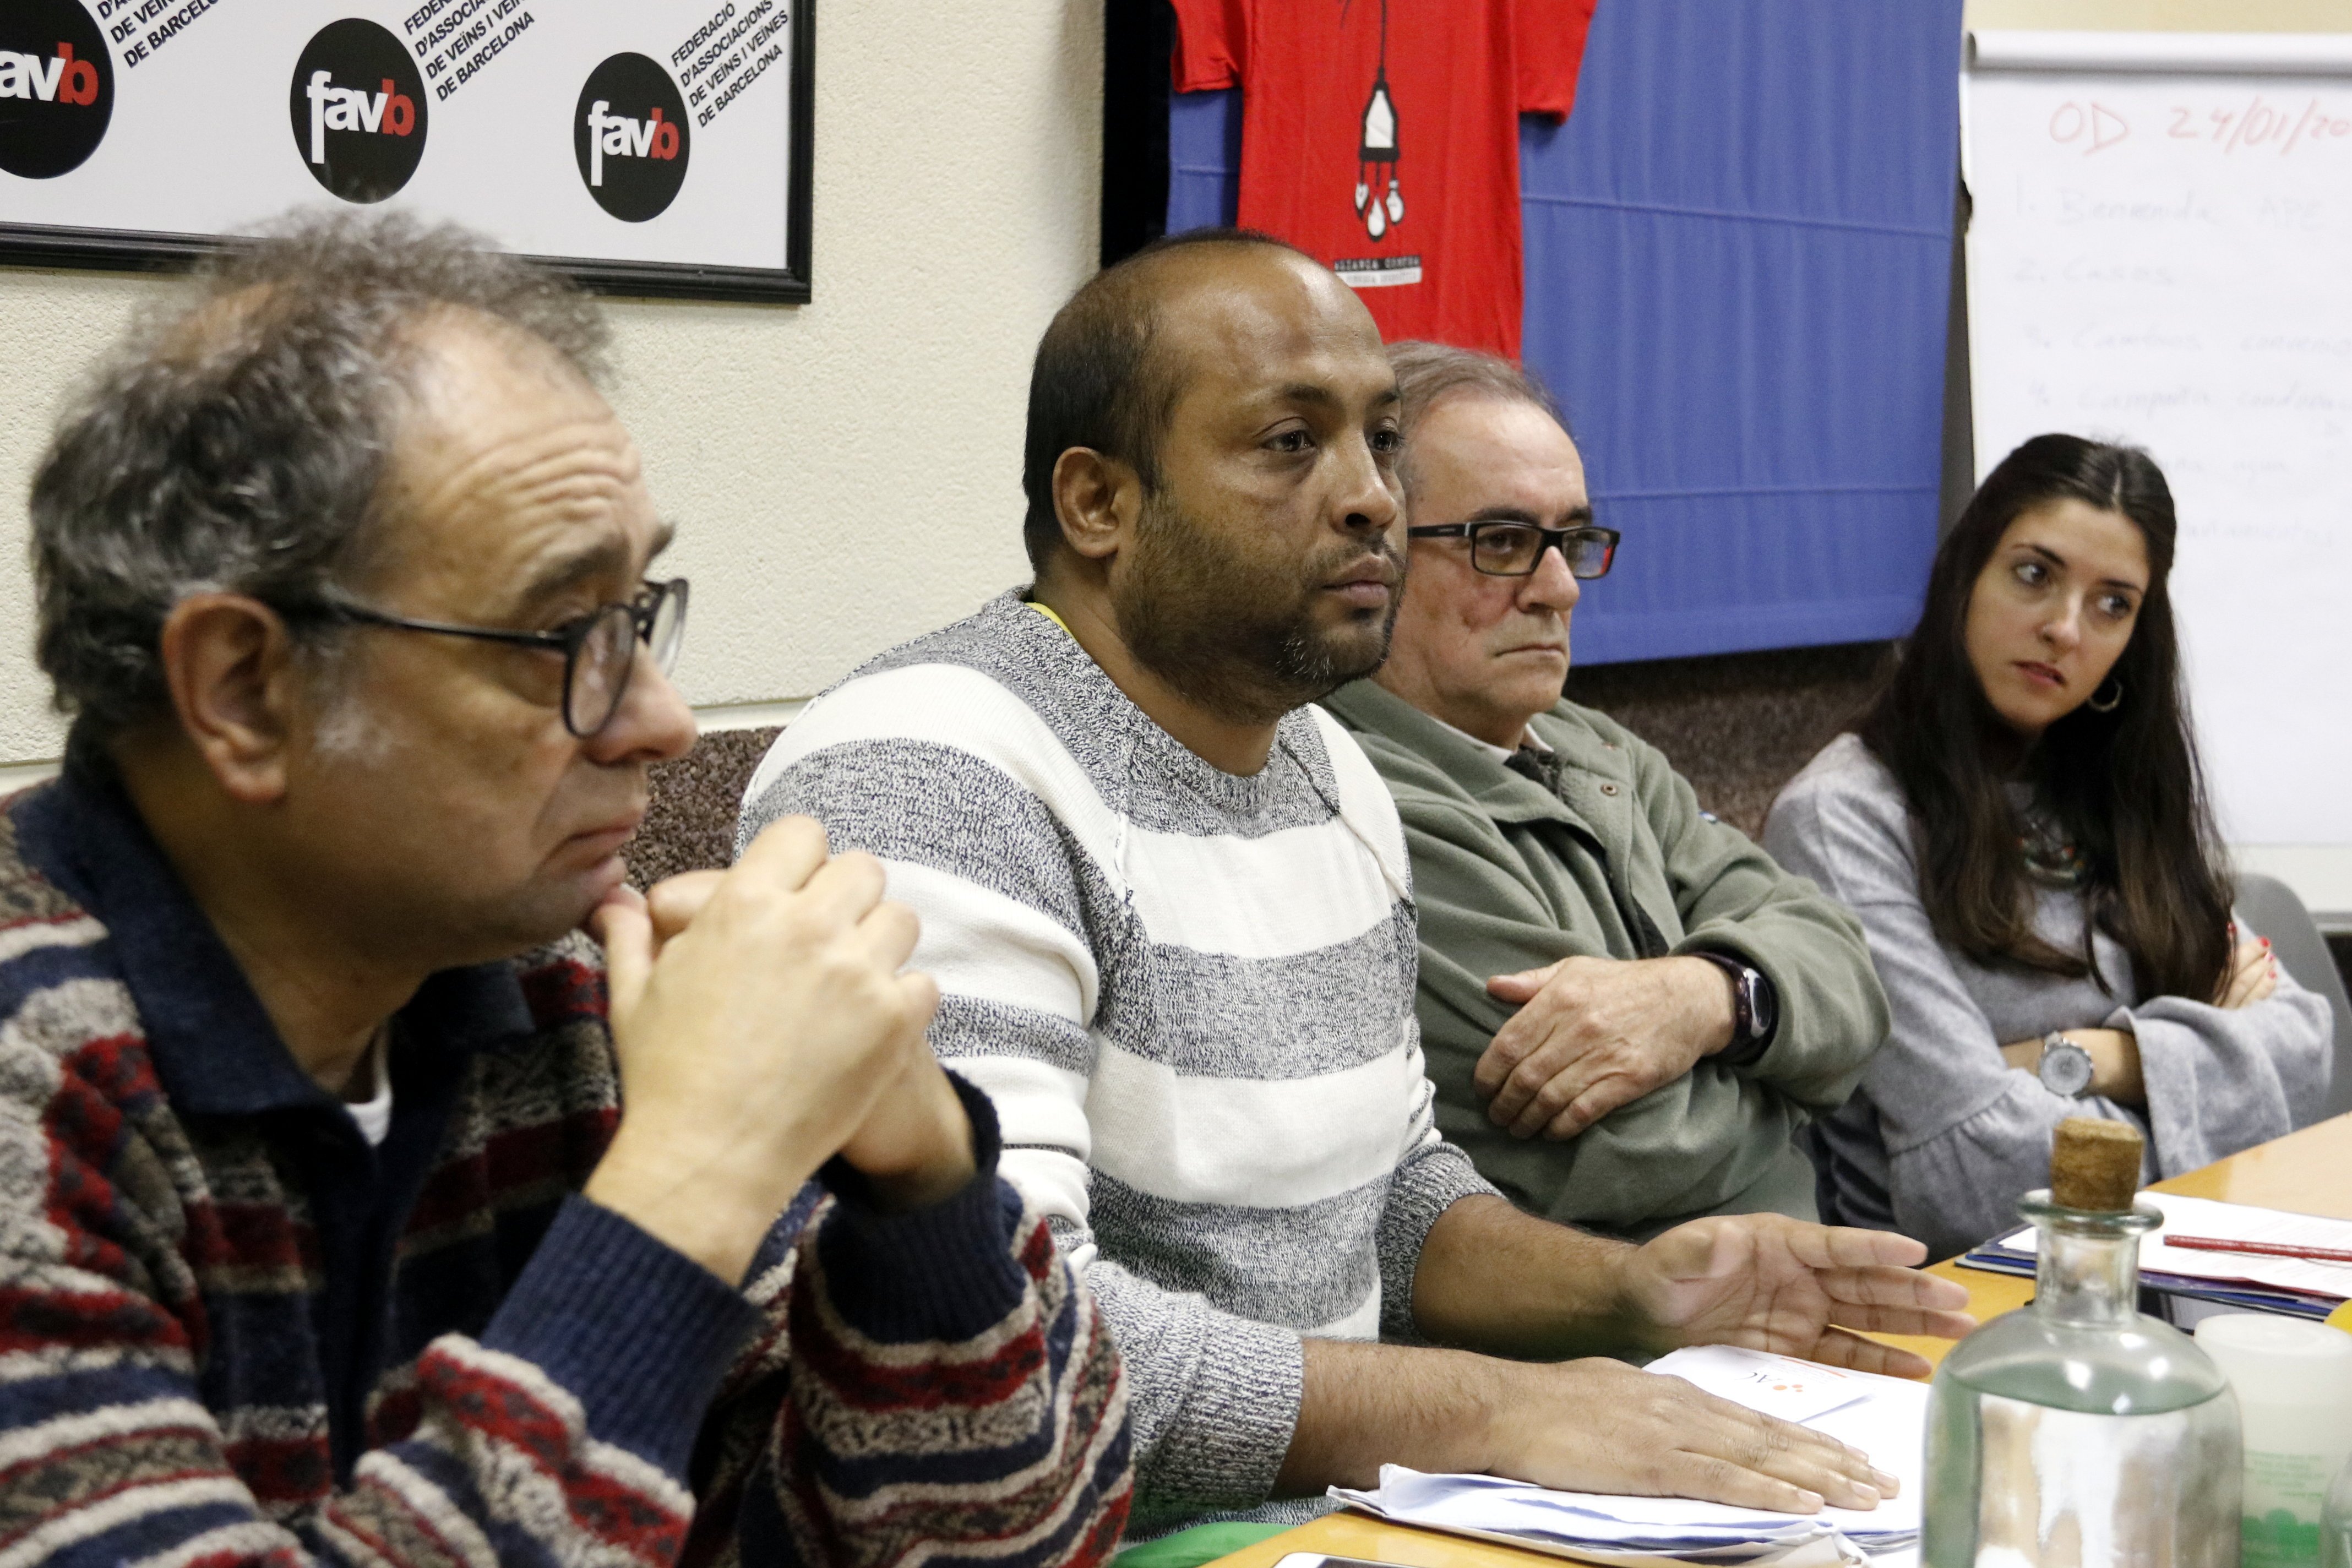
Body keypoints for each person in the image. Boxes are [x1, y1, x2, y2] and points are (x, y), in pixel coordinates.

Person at [742, 229, 1973, 1539]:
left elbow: (1390, 1202)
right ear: (1099, 502)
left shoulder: (1327, 765)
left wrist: (1638, 1292)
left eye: (1381, 440)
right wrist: (1496, 1409)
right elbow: (1006, 1334)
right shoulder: (934, 770)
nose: (1371, 495)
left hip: (1350, 1507)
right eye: (1289, 441)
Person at [0, 213, 1131, 1568]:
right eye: (563, 635)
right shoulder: (37, 1074)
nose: (661, 718)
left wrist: (923, 1182)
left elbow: (992, 1548)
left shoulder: (560, 994)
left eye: (638, 613)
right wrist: (691, 1180)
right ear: (245, 690)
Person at [1320, 341, 1890, 1240]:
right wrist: (1795, 1082)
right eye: (1500, 543)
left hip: (1791, 1321)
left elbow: (1851, 981)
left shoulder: (1595, 746)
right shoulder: (1353, 796)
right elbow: (1630, 1149)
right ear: (1373, 556)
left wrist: (1705, 1000)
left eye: (1573, 541)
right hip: (1608, 1358)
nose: (1557, 590)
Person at [1763, 434, 2332, 1261]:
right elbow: (1976, 1171)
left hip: (2176, 1274)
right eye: (2034, 575)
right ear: (1966, 575)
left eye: (2113, 604)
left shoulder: (2120, 793)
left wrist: (2082, 1060)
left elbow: (2306, 1051)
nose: (2066, 629)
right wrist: (2213, 1095)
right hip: (1967, 1300)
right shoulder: (1843, 818)